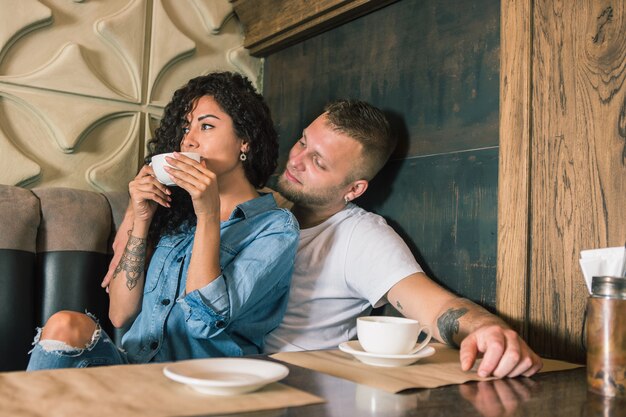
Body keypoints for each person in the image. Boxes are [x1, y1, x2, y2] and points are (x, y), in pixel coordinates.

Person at [27, 71, 299, 370]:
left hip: (206, 380)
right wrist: (141, 218)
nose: (189, 141)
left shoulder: (275, 227)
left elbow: (204, 321)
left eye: (206, 126)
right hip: (137, 368)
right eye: (185, 129)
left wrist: (208, 215)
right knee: (65, 324)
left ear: (244, 141)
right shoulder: (178, 215)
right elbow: (120, 314)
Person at [262, 100, 543, 378]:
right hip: (237, 367)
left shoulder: (360, 236)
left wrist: (487, 331)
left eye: (318, 162)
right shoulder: (267, 205)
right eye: (302, 142)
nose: (296, 161)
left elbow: (438, 309)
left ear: (354, 188)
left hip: (300, 383)